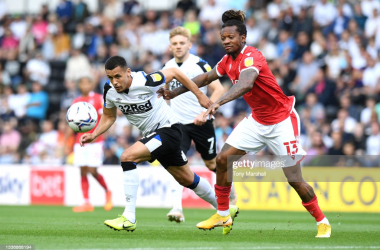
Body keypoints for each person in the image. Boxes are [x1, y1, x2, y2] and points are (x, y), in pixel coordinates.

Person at [157, 10, 331, 238]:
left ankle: (322, 221)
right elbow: (204, 78)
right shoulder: (227, 61)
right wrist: (175, 92)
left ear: (243, 38)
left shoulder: (252, 56)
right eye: (223, 38)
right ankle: (222, 213)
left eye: (231, 37)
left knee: (294, 179)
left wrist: (216, 103)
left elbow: (246, 84)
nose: (226, 41)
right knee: (222, 160)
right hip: (258, 120)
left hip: (282, 121)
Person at [79, 56, 238, 232]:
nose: (114, 82)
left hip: (169, 130)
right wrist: (93, 134)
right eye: (110, 77)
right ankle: (224, 209)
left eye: (118, 76)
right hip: (155, 136)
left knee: (127, 157)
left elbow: (175, 72)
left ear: (128, 72)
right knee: (187, 179)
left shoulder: (146, 81)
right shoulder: (109, 90)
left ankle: (129, 217)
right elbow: (109, 116)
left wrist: (200, 95)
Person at [163, 27, 237, 223]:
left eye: (182, 43)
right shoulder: (167, 66)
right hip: (178, 125)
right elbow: (166, 97)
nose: (178, 46)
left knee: (212, 163)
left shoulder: (200, 64)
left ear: (189, 44)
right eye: (175, 44)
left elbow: (219, 89)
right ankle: (177, 209)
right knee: (175, 163)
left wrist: (204, 113)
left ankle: (231, 193)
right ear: (170, 47)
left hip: (201, 122)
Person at [72, 76, 113, 213]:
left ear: (91, 84)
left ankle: (107, 192)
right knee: (82, 170)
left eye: (87, 82)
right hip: (80, 139)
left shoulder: (97, 99)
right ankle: (86, 202)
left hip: (96, 140)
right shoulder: (76, 101)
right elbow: (71, 122)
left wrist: (99, 135)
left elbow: (105, 118)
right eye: (82, 82)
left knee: (92, 171)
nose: (84, 85)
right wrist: (68, 141)